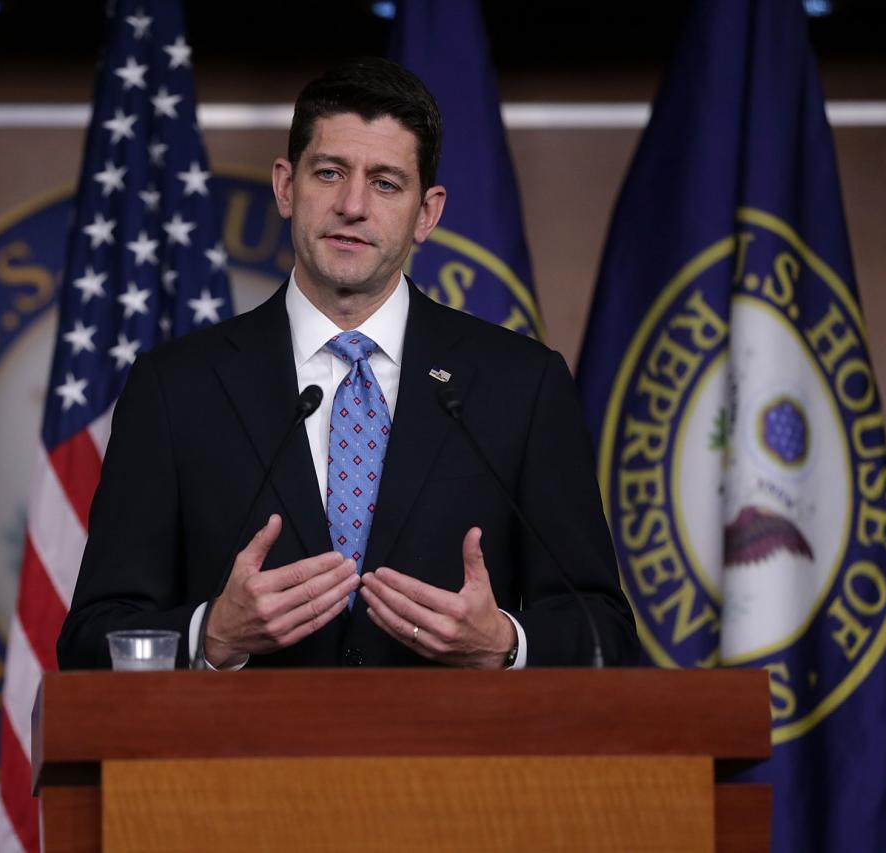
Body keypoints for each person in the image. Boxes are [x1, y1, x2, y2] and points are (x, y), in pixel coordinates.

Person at [57, 57, 639, 671]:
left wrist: (504, 642)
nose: (353, 205)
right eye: (330, 173)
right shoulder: (176, 388)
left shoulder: (521, 386)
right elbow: (93, 638)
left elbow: (604, 631)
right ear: (285, 186)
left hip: (454, 760)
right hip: (243, 762)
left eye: (386, 183)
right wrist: (212, 631)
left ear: (427, 214)